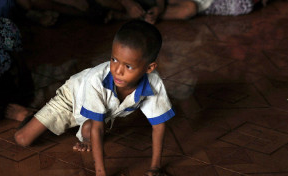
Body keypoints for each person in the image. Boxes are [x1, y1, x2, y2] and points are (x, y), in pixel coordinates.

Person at [10, 20, 174, 176]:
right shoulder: (96, 80)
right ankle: (30, 115)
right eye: (114, 59)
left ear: (150, 68)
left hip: (97, 113)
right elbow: (99, 128)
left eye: (128, 66)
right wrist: (100, 173)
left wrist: (155, 167)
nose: (117, 71)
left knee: (92, 128)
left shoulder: (154, 84)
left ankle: (83, 131)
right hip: (71, 99)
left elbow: (158, 126)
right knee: (23, 139)